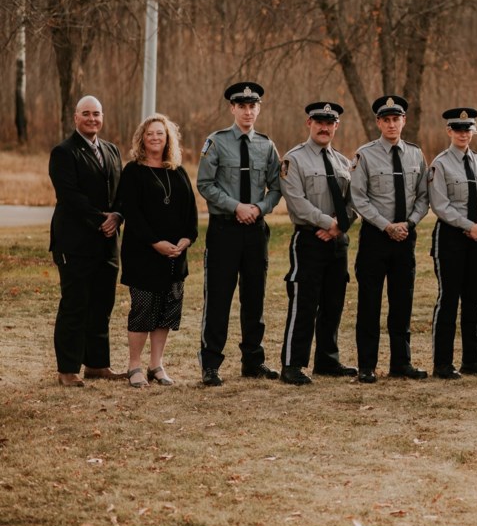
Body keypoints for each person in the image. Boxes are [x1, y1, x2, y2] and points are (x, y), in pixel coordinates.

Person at [196, 82, 282, 386]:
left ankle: (253, 361)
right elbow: (205, 184)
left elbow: (277, 188)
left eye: (252, 106)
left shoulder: (267, 145)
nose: (248, 111)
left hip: (255, 230)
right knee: (219, 297)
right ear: (232, 108)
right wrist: (236, 207)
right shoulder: (216, 142)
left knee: (254, 296)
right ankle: (211, 364)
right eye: (242, 106)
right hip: (225, 230)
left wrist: (259, 208)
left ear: (258, 109)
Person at [277, 102, 359, 385]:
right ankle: (292, 363)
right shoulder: (294, 159)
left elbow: (354, 201)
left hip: (338, 241)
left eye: (330, 122)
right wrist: (329, 223)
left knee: (333, 301)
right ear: (308, 124)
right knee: (304, 302)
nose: (324, 127)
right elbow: (297, 203)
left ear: (336, 126)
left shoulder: (343, 161)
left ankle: (327, 360)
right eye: (319, 121)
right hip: (309, 239)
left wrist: (340, 226)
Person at [350, 95, 430, 383]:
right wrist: (386, 226)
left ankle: (401, 363)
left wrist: (409, 223)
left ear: (404, 121)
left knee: (402, 303)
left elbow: (423, 197)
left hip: (405, 238)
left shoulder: (416, 154)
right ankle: (366, 366)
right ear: (378, 123)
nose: (392, 124)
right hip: (375, 237)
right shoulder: (365, 155)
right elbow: (358, 198)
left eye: (397, 119)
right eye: (386, 119)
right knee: (369, 303)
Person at [49, 95, 126, 386]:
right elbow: (69, 195)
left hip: (108, 242)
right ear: (75, 118)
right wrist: (100, 220)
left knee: (102, 304)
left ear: (102, 117)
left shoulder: (112, 150)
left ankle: (97, 364)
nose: (92, 119)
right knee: (75, 304)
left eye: (96, 114)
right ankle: (67, 370)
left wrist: (117, 215)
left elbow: (120, 191)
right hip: (75, 242)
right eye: (86, 114)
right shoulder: (63, 152)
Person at [117, 114, 198, 387]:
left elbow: (191, 211)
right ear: (142, 138)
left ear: (168, 138)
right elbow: (133, 213)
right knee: (143, 310)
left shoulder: (178, 171)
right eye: (150, 133)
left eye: (160, 134)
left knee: (166, 312)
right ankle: (134, 366)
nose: (155, 138)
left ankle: (156, 365)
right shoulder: (133, 171)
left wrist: (187, 239)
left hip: (175, 256)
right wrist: (155, 243)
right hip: (144, 254)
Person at [427, 108, 477, 379]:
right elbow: (440, 205)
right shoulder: (440, 164)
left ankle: (472, 360)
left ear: (473, 131)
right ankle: (442, 363)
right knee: (449, 299)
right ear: (449, 131)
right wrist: (470, 226)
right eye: (458, 129)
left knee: (473, 300)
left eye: (467, 129)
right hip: (451, 239)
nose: (463, 134)